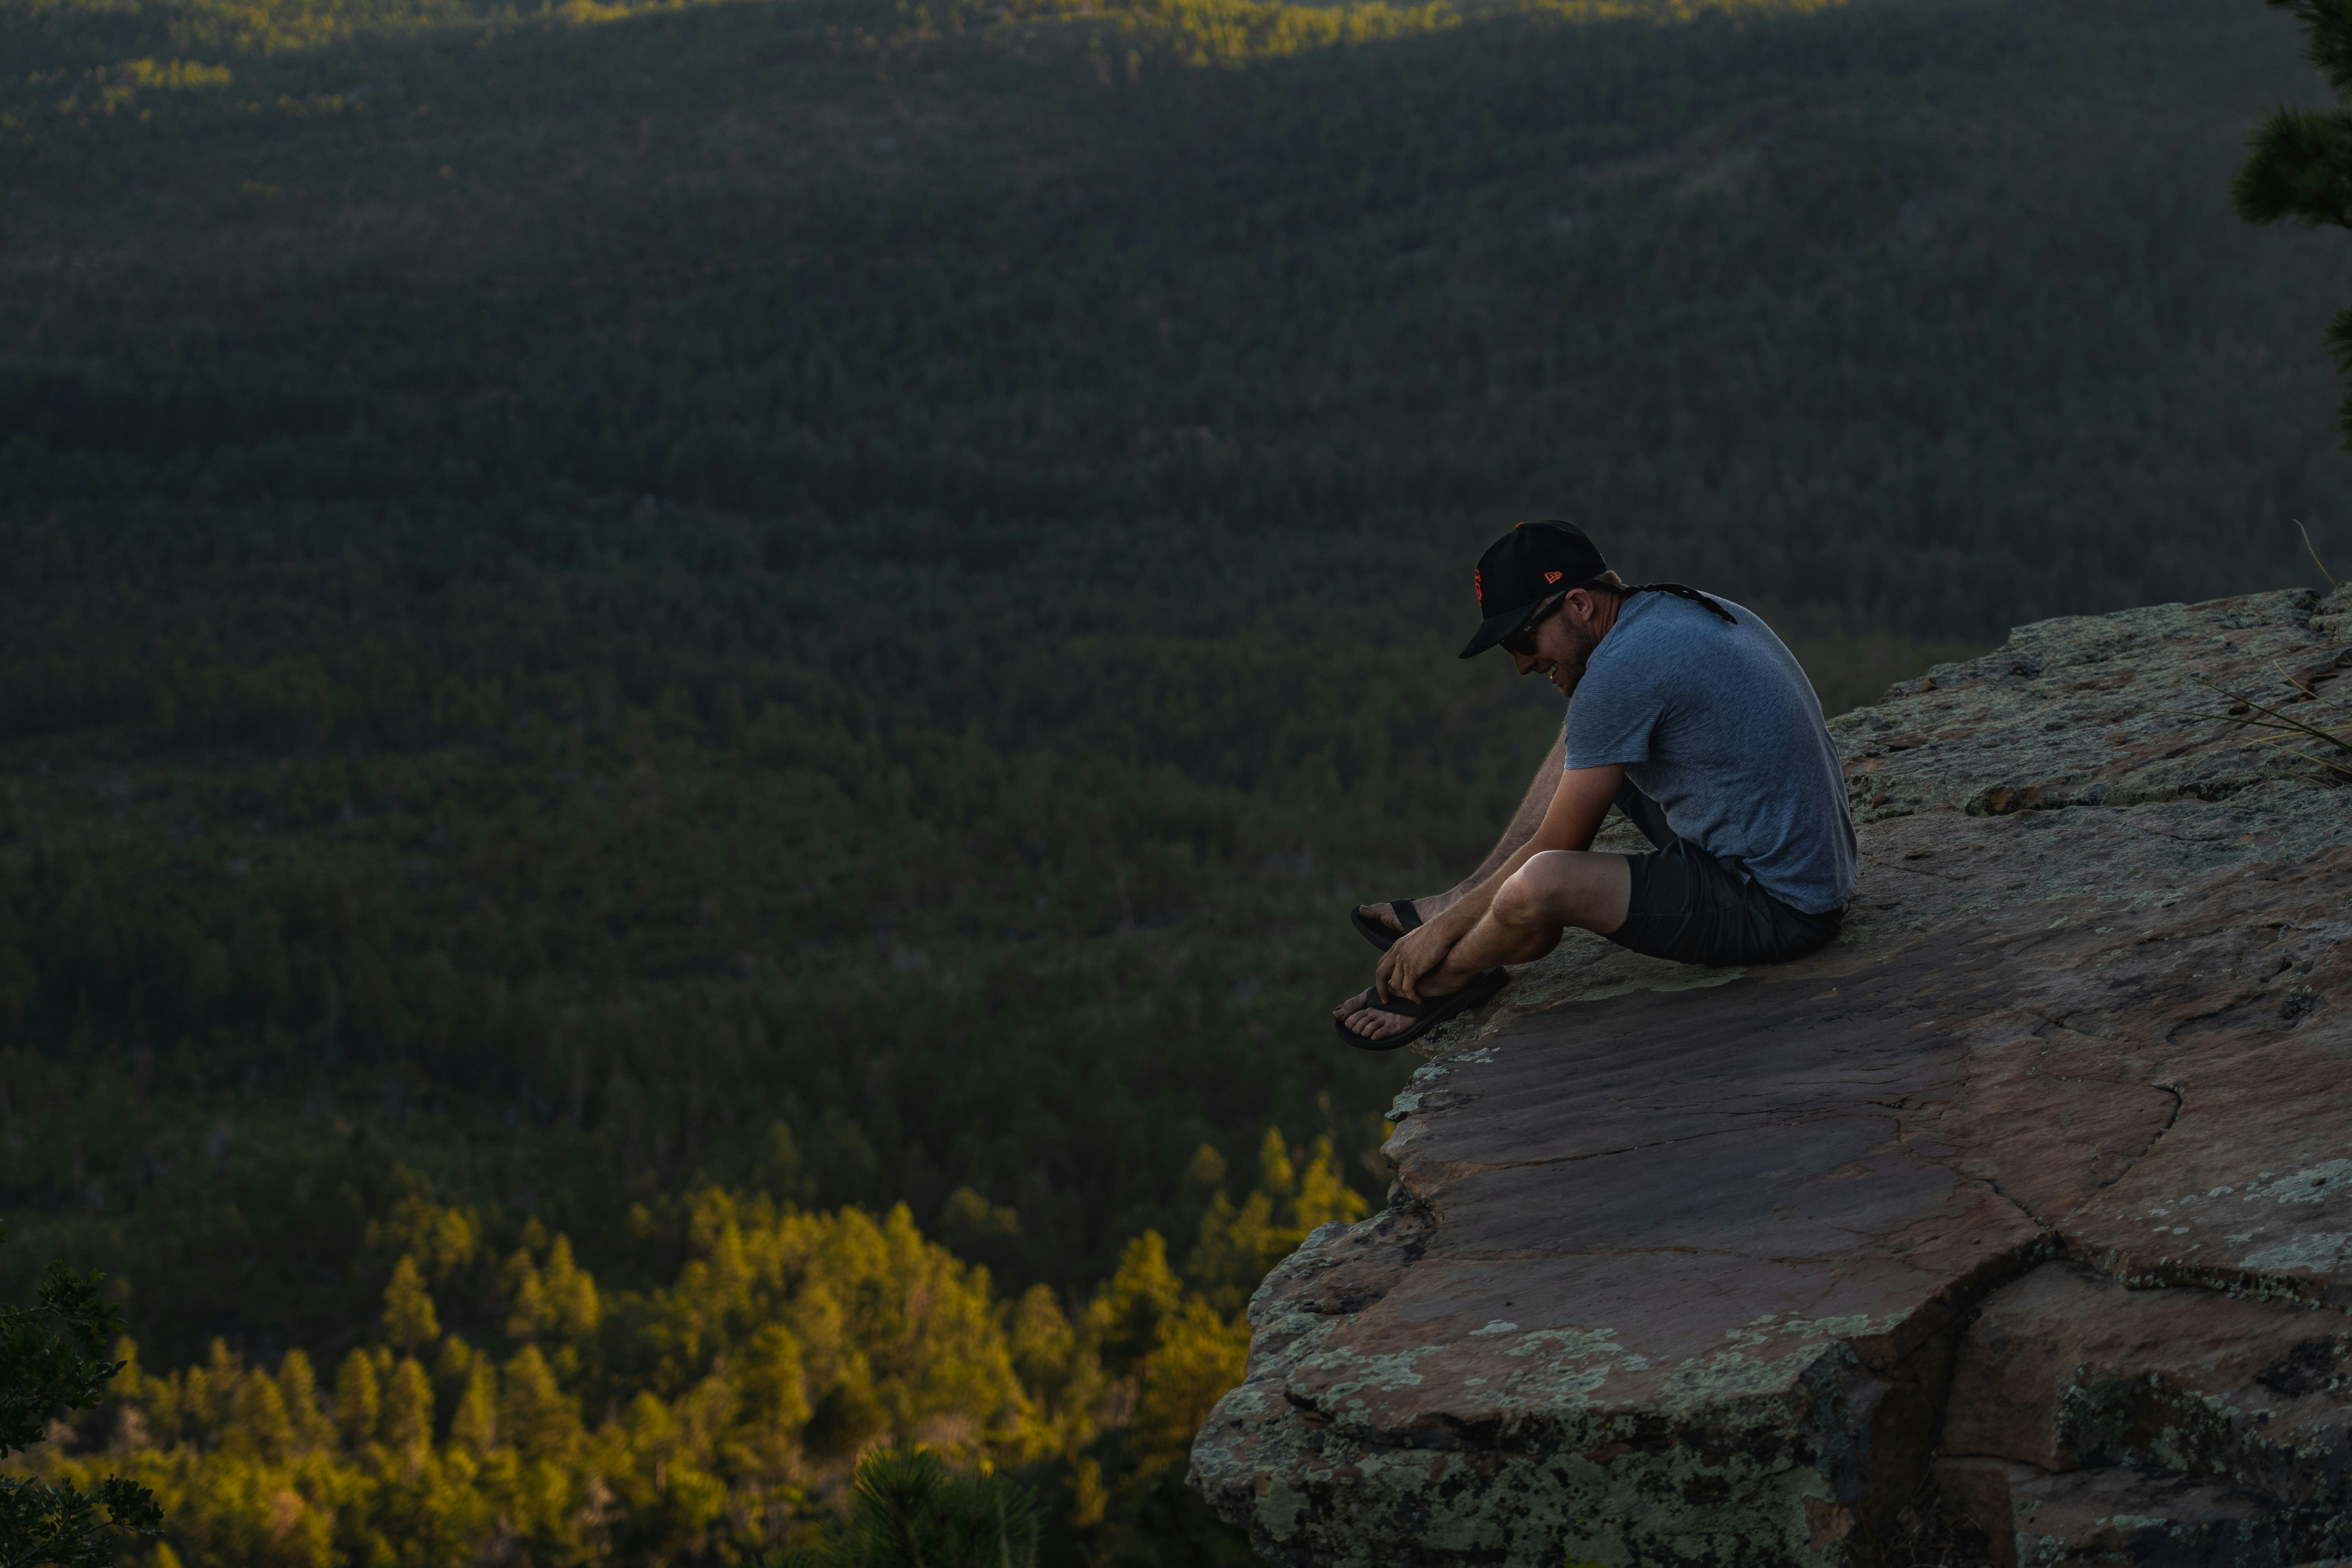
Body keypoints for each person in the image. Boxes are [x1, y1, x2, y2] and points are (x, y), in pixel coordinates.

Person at [1333, 519, 1857, 1049]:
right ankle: (1468, 896)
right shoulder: (1669, 607)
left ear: (1580, 604)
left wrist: (1436, 940)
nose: (1521, 664)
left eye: (1522, 637)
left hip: (1779, 904)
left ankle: (1449, 979)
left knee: (1543, 881)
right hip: (1803, 862)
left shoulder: (1624, 669)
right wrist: (1471, 903)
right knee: (1587, 724)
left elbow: (1553, 849)